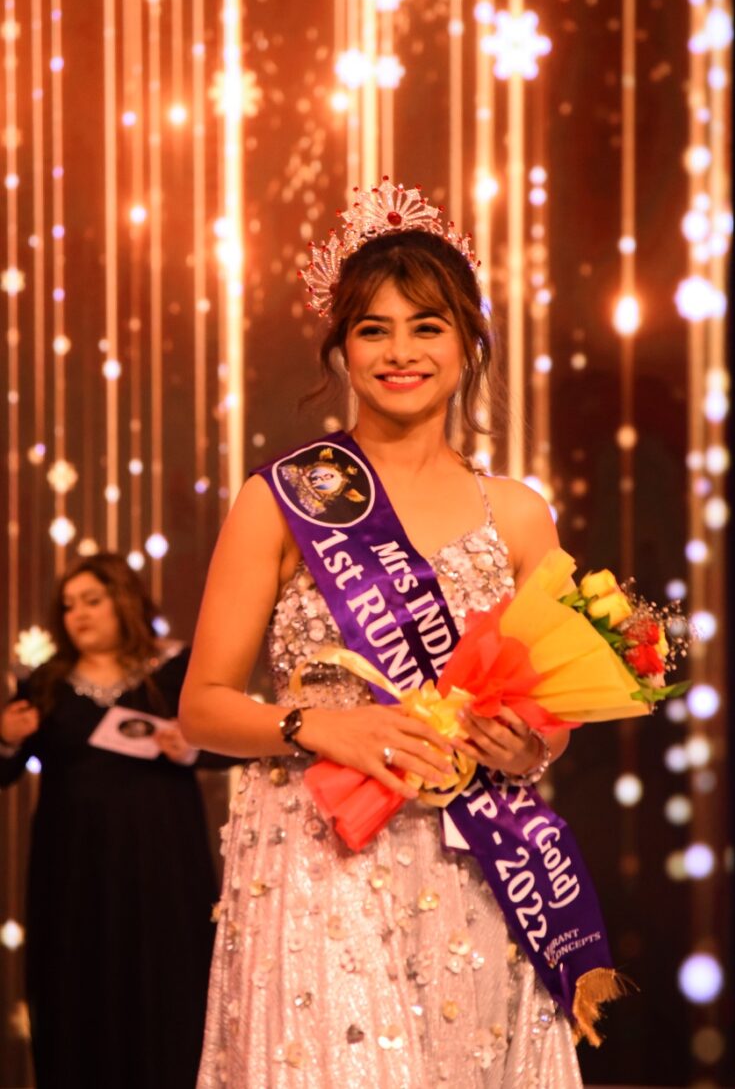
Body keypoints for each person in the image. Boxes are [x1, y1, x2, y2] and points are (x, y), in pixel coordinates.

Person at [181, 184, 584, 1086]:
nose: (401, 351)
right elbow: (201, 707)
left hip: (481, 858)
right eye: (373, 329)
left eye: (427, 326)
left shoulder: (519, 515)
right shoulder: (282, 498)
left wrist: (528, 745)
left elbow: (554, 713)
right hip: (318, 850)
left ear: (469, 341)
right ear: (341, 351)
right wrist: (316, 725)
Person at [0, 552, 226, 1089]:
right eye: (69, 605)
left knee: (167, 975)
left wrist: (189, 748)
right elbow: (4, 772)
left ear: (123, 600)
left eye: (92, 600)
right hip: (73, 869)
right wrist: (7, 736)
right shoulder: (45, 683)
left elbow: (230, 743)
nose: (79, 614)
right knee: (77, 980)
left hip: (163, 862)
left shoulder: (177, 671)